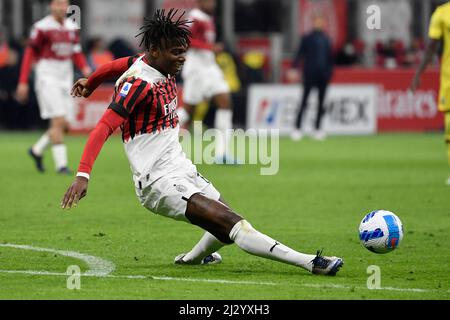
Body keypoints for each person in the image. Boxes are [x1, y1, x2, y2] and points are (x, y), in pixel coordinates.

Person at [62, 9, 343, 276]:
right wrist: (83, 175)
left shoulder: (153, 62)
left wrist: (91, 81)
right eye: (176, 52)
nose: (182, 58)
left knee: (225, 226)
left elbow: (116, 64)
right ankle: (309, 262)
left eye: (183, 51)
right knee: (234, 225)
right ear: (156, 51)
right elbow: (102, 128)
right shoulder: (138, 84)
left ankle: (193, 258)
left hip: (180, 166)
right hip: (156, 181)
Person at [16, 0, 91, 174]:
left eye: (63, 4)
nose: (60, 7)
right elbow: (29, 54)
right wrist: (23, 81)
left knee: (65, 124)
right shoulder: (41, 27)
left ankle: (36, 150)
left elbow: (76, 52)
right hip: (47, 77)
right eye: (57, 3)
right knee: (57, 121)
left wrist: (85, 68)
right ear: (51, 6)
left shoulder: (71, 27)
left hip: (66, 79)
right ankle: (62, 166)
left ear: (67, 6)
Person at [181, 0, 237, 164]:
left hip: (209, 68)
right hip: (197, 69)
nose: (212, 4)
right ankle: (156, 130)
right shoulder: (194, 17)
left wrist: (210, 49)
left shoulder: (208, 18)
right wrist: (210, 48)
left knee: (225, 102)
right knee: (188, 112)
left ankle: (222, 153)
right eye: (208, 1)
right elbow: (186, 40)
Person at [410, 2, 450, 185]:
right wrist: (419, 74)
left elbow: (432, 47)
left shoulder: (441, 13)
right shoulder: (441, 14)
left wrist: (418, 74)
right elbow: (432, 46)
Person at [290, 14, 333, 141]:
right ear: (313, 23)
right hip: (309, 74)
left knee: (321, 102)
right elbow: (299, 54)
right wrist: (294, 68)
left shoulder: (326, 39)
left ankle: (317, 128)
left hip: (323, 75)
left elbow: (330, 59)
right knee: (304, 101)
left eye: (321, 21)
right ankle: (297, 128)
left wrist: (329, 73)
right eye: (317, 21)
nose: (319, 24)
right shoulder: (307, 38)